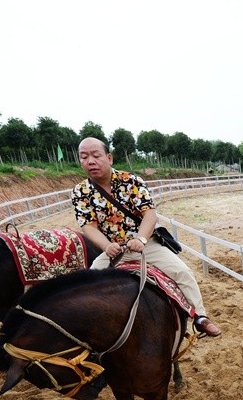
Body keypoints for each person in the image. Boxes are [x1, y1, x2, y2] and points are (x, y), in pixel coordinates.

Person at [71, 137, 222, 337]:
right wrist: (107, 246)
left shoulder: (132, 181)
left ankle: (200, 317)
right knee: (87, 284)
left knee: (182, 273)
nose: (90, 161)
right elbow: (88, 226)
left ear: (109, 158)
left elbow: (149, 214)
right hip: (114, 251)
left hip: (146, 246)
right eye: (84, 157)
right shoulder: (80, 191)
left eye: (96, 155)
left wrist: (141, 239)